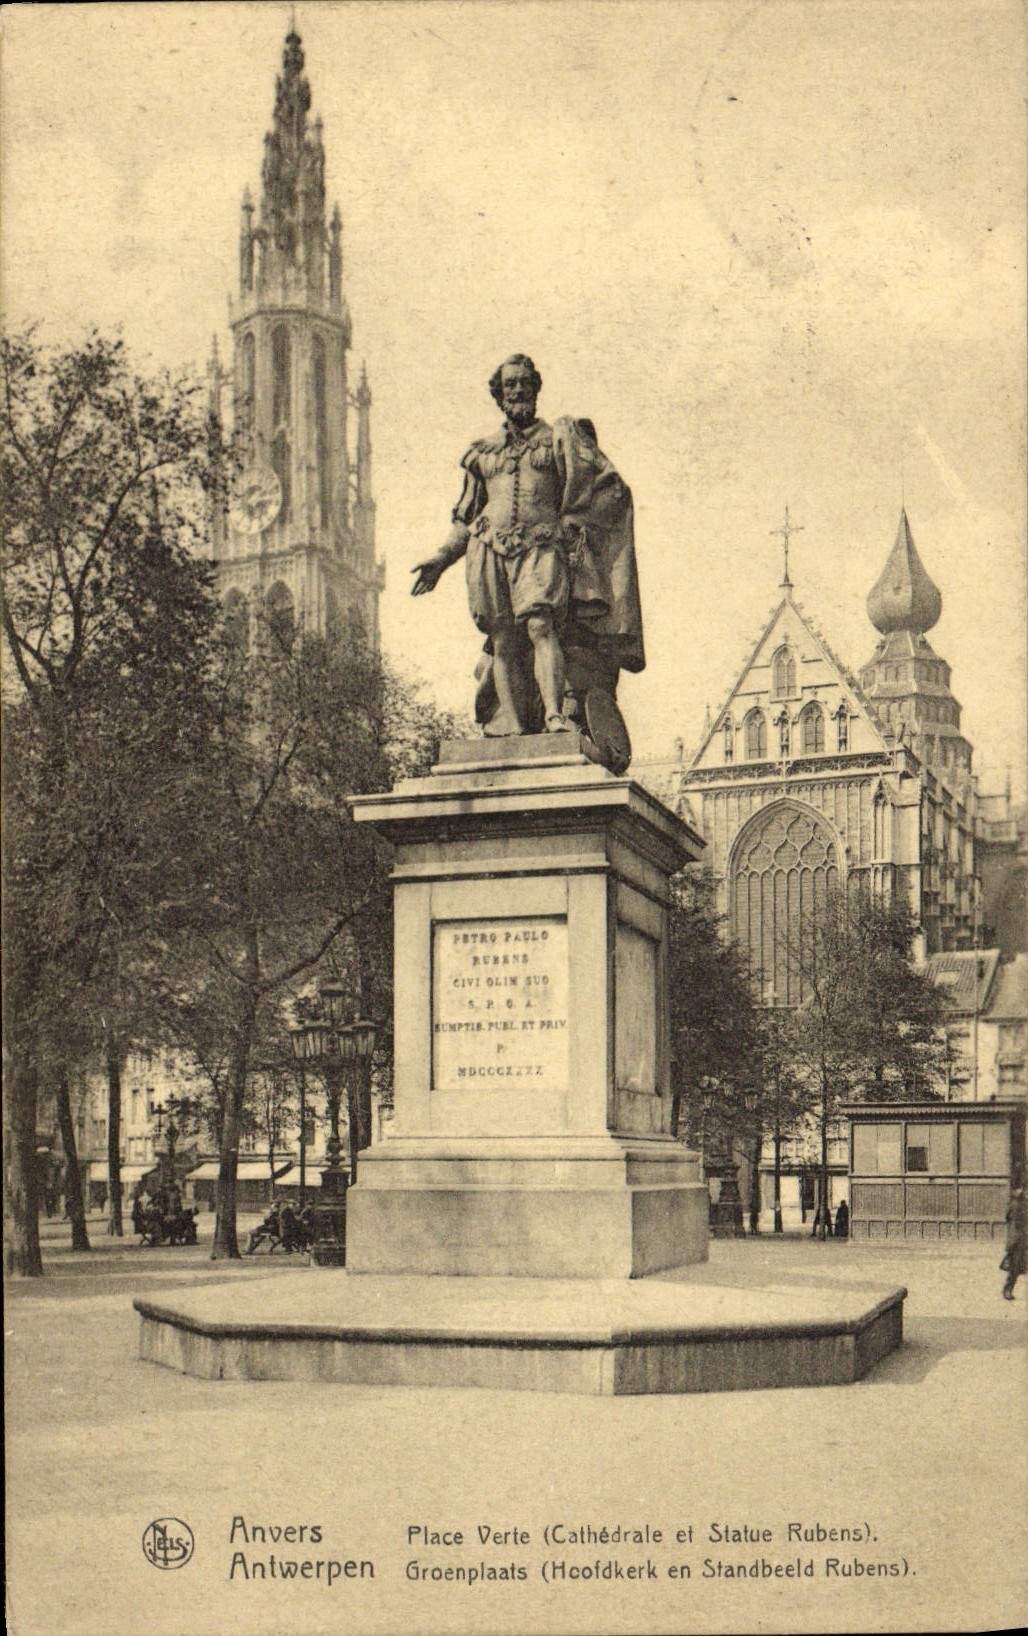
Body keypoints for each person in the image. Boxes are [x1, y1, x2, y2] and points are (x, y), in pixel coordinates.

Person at [411, 355, 644, 766]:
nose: (517, 390)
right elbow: (466, 517)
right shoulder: (482, 452)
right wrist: (441, 559)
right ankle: (516, 729)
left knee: (540, 626)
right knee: (503, 640)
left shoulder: (559, 439)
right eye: (510, 385)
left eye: (524, 383)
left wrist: (575, 523)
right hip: (488, 550)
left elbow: (609, 487)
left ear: (536, 388)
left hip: (541, 545)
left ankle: (554, 716)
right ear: (499, 395)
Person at [1001, 1184, 1025, 1300]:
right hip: (1018, 1241)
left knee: (1016, 1268)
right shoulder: (1017, 1205)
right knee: (1015, 1267)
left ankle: (1008, 1289)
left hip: (1018, 1240)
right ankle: (1007, 1289)